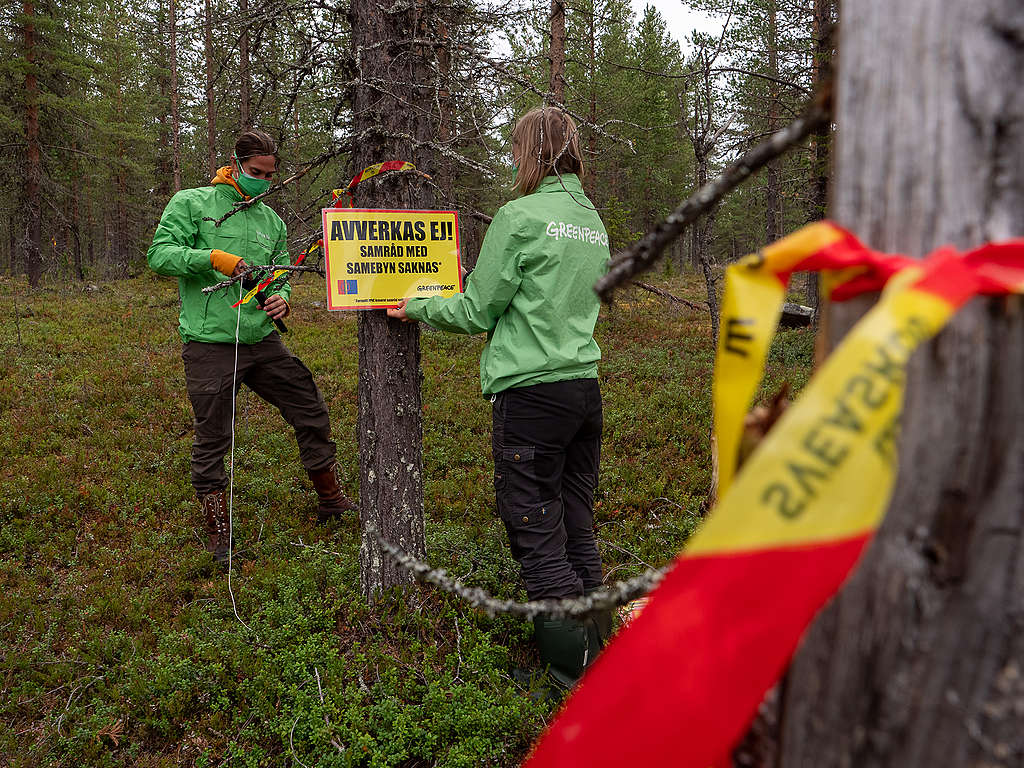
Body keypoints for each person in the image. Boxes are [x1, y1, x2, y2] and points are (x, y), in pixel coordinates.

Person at [388, 107, 612, 689]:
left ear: (532, 151)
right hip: (583, 390)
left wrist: (415, 305)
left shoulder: (518, 216)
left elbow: (475, 310)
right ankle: (603, 652)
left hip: (531, 397)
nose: (514, 158)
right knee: (576, 524)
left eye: (518, 148)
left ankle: (569, 672)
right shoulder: (591, 220)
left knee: (536, 528)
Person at [147, 128, 355, 567]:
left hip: (262, 340)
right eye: (256, 172)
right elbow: (160, 255)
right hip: (209, 344)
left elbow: (277, 276)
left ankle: (332, 501)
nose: (262, 180)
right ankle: (218, 535)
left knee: (310, 408)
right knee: (214, 437)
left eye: (270, 175)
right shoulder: (193, 203)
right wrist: (210, 259)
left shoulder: (272, 222)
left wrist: (283, 298)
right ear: (235, 163)